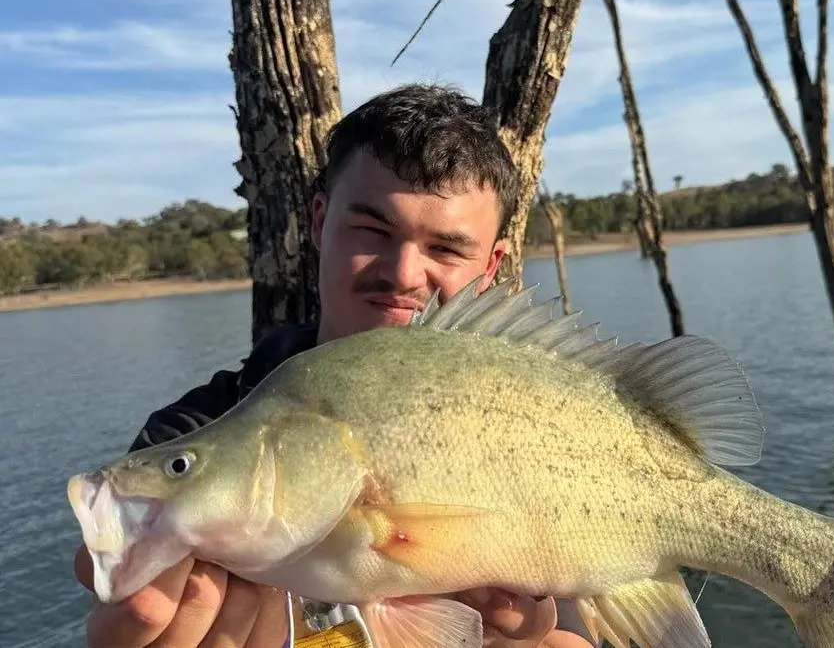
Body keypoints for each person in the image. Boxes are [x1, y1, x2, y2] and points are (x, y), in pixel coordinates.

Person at [72, 83, 596, 648]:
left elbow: (571, 621)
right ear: (320, 221)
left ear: (491, 265)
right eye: (372, 230)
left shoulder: (547, 421)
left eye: (446, 249)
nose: (403, 273)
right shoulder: (197, 431)